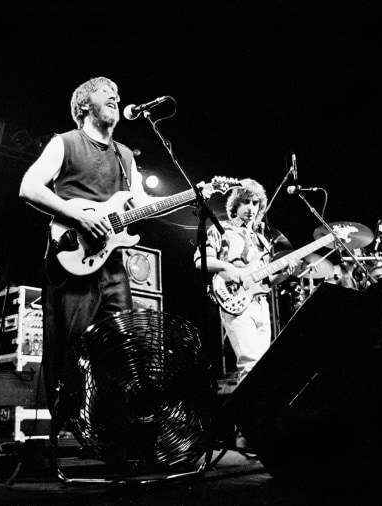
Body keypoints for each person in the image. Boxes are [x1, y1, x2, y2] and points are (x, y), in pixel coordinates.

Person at [18, 76, 210, 426]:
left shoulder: (124, 155)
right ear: (84, 104)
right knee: (77, 347)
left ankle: (112, 427)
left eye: (117, 95)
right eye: (107, 93)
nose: (116, 98)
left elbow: (141, 204)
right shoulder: (66, 143)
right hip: (73, 254)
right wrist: (77, 214)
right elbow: (29, 187)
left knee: (122, 346)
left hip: (112, 263)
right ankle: (72, 424)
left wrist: (191, 195)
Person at [194, 178, 294, 384]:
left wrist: (284, 274)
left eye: (255, 203)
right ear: (236, 204)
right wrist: (228, 267)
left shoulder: (263, 241)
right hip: (235, 301)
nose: (251, 208)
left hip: (260, 304)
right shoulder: (221, 229)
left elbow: (265, 281)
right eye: (246, 202)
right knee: (250, 365)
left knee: (263, 368)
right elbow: (200, 260)